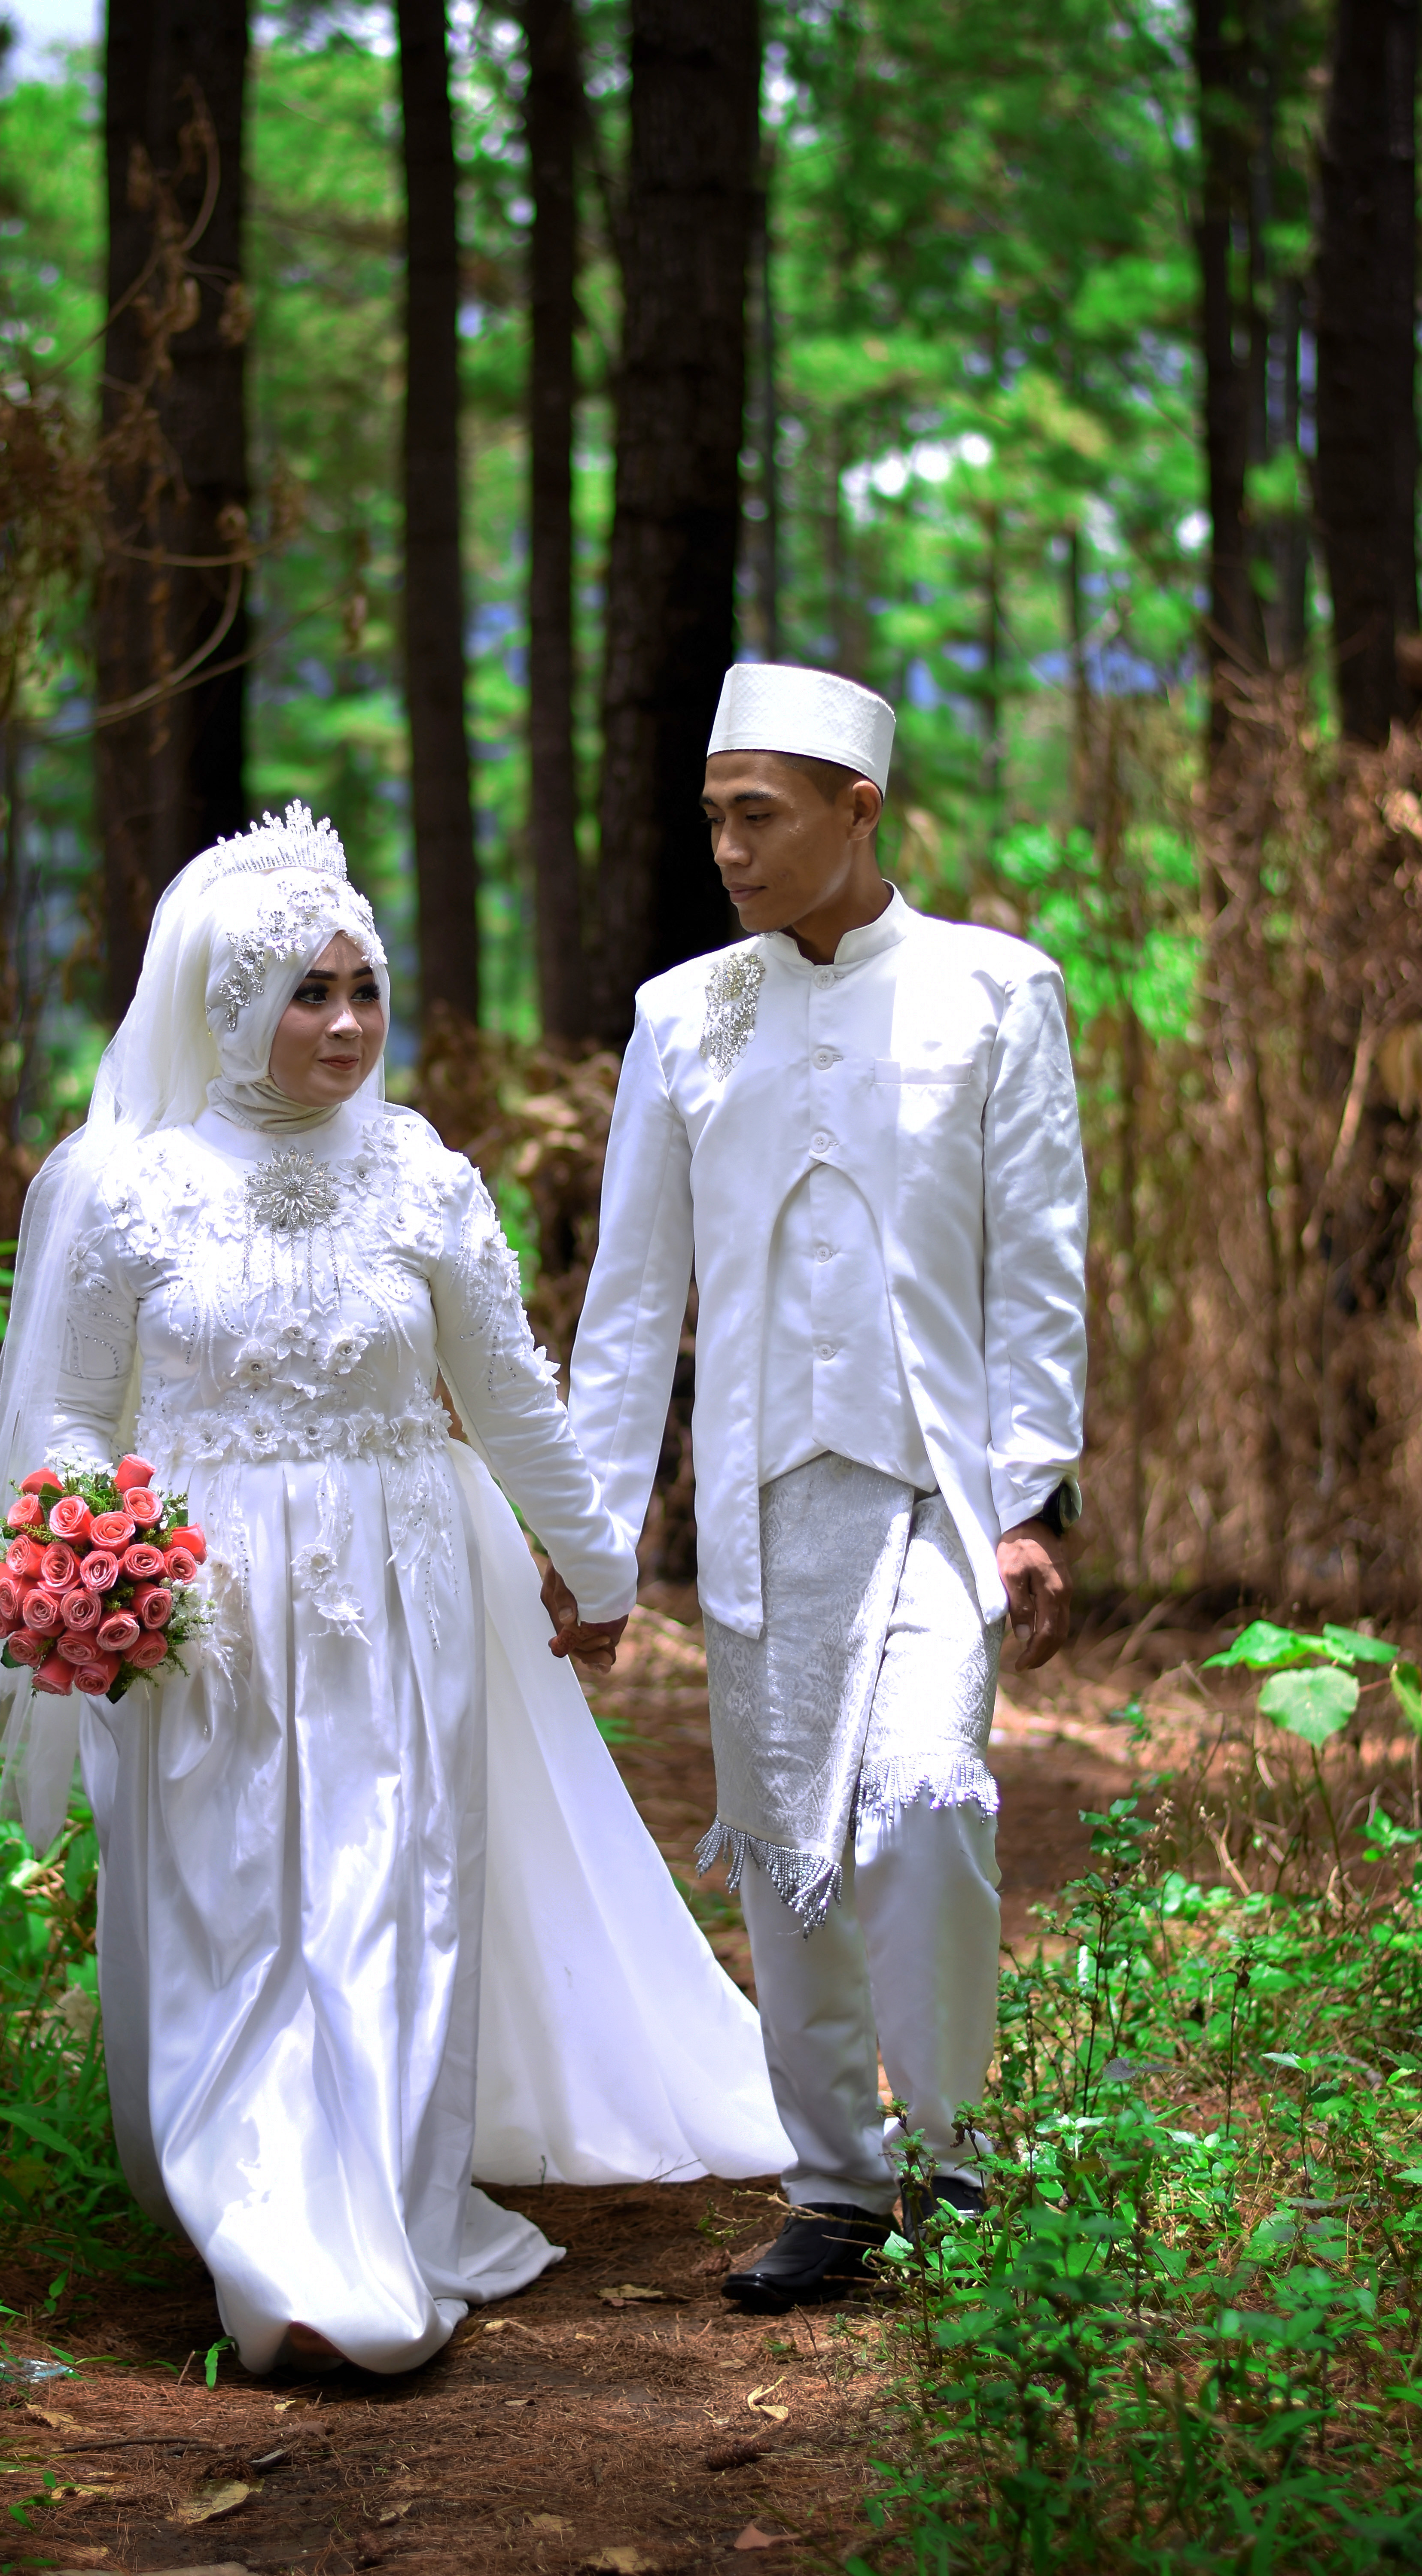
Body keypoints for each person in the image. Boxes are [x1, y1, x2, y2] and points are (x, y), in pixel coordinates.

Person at [0, 806, 788, 2376]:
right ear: (230, 1005)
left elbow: (512, 1397)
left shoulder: (419, 1175)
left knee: (388, 1891)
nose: (346, 1025)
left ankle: (382, 2224)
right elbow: (70, 1410)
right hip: (196, 1617)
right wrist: (86, 1551)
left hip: (402, 1594)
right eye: (309, 993)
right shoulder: (130, 1190)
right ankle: (266, 2235)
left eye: (365, 990)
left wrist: (598, 1567)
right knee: (226, 1907)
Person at [549, 665, 1088, 2312]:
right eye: (713, 819)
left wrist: (1033, 1500)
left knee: (925, 1805)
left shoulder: (998, 992)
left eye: (758, 816)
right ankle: (840, 2187)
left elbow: (1038, 1264)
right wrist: (596, 1545)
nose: (729, 849)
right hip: (764, 1503)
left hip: (939, 1492)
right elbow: (631, 1301)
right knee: (789, 1847)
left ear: (860, 809)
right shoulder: (680, 1016)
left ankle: (956, 2160)